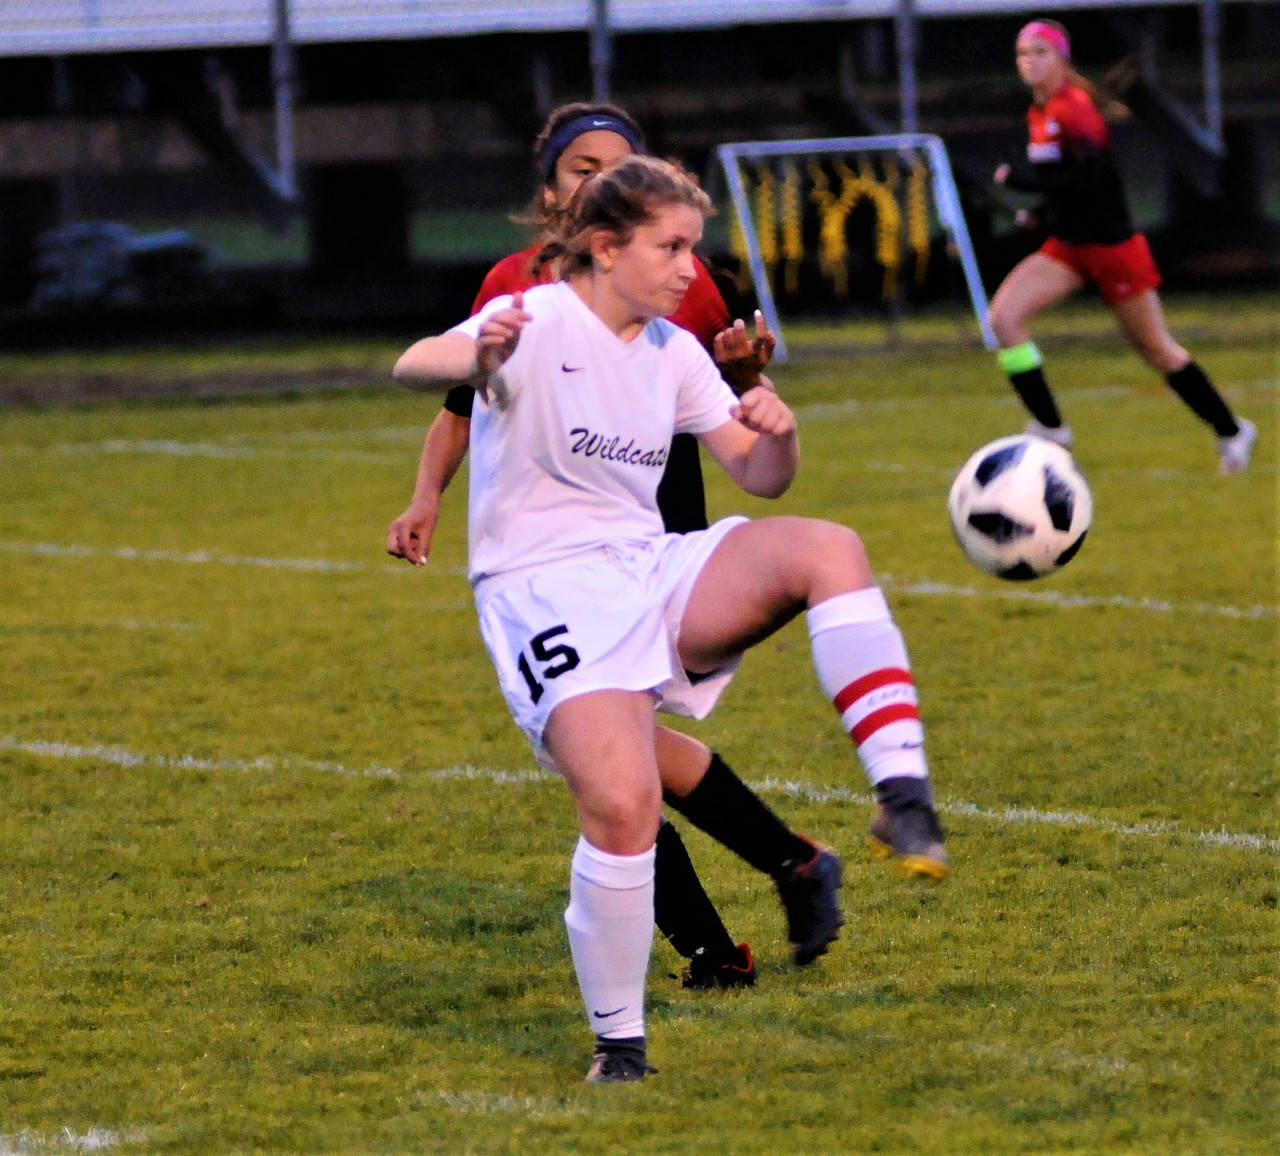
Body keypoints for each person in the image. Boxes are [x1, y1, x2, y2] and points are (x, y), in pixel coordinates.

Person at [392, 155, 948, 1082]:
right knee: (621, 802)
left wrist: (781, 430)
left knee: (827, 546)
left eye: (694, 246)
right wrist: (478, 351)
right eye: (673, 247)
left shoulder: (673, 350)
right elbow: (416, 364)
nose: (692, 269)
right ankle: (620, 1045)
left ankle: (905, 799)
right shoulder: (537, 318)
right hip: (542, 589)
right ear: (606, 249)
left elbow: (759, 476)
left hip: (646, 565)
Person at [989, 18, 1256, 475]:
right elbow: (1066, 185)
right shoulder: (1040, 111)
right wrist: (1042, 213)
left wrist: (1022, 182)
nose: (1029, 62)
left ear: (1061, 58)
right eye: (1022, 53)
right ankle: (1051, 427)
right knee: (1003, 320)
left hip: (1112, 248)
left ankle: (1232, 430)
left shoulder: (1073, 108)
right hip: (1070, 246)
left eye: (1040, 52)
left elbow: (1092, 179)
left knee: (1157, 350)